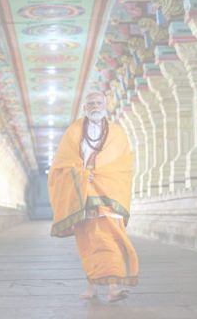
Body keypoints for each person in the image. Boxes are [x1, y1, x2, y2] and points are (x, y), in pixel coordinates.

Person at [48, 91, 138, 302]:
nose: (95, 106)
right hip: (82, 193)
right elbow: (61, 163)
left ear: (106, 105)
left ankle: (114, 287)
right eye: (90, 103)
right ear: (84, 108)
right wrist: (80, 175)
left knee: (110, 240)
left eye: (98, 103)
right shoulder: (74, 132)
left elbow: (123, 165)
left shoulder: (117, 133)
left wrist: (99, 175)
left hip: (109, 193)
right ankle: (92, 288)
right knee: (88, 240)